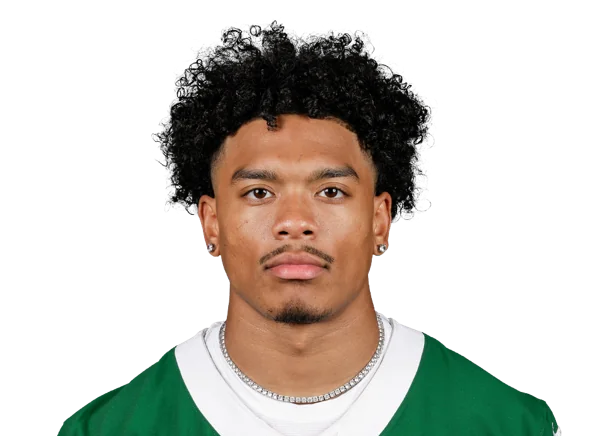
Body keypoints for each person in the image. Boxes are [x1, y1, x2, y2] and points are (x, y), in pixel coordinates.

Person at [58, 24, 559, 435]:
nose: (294, 222)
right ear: (211, 222)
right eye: (259, 192)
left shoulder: (511, 427)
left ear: (380, 219)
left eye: (331, 191)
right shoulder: (107, 430)